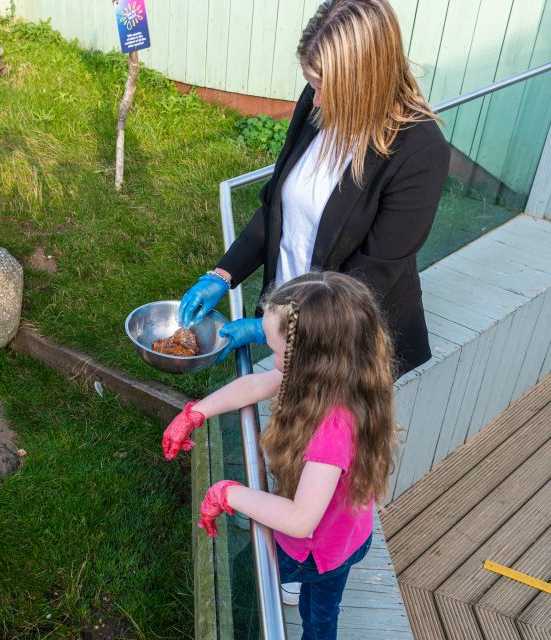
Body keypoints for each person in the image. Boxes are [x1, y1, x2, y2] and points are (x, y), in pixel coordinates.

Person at [178, 0, 450, 377]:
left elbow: (368, 283)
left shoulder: (420, 152)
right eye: (312, 85)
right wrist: (221, 275)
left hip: (349, 347)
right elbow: (278, 207)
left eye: (325, 88)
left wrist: (278, 327)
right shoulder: (316, 103)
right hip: (286, 323)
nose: (315, 100)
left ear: (365, 82)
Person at [162, 272, 397, 640]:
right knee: (321, 609)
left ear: (311, 358)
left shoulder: (333, 428)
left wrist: (226, 492)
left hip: (316, 547)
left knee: (262, 584)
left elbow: (300, 520)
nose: (271, 362)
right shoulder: (340, 377)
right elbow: (255, 385)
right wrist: (196, 412)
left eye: (274, 352)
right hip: (348, 531)